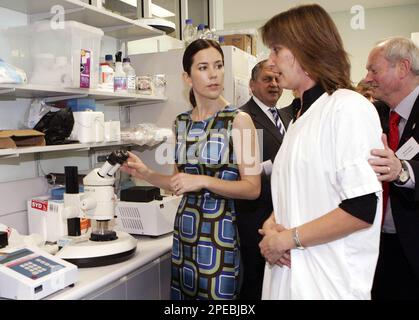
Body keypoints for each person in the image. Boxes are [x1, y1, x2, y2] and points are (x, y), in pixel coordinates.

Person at [257, 4, 384, 299]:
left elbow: (361, 208)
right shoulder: (301, 117)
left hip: (328, 283)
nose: (270, 61)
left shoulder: (347, 107)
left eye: (276, 49)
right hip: (292, 276)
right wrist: (272, 224)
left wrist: (288, 238)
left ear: (305, 48)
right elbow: (307, 188)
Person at [121, 39, 261, 300]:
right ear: (187, 77)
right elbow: (179, 181)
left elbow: (253, 188)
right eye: (203, 67)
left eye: (218, 66)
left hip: (221, 239)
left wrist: (204, 181)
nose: (213, 74)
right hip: (185, 236)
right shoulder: (181, 122)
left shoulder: (240, 121)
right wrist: (146, 174)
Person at [364, 37, 419, 300]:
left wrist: (403, 171)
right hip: (378, 248)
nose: (366, 79)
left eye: (373, 70)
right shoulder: (374, 114)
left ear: (403, 68)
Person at [235, 59, 292, 300]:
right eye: (267, 79)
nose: (275, 84)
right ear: (251, 85)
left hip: (281, 216)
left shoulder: (286, 117)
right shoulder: (244, 118)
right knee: (256, 284)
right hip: (256, 219)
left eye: (278, 78)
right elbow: (248, 173)